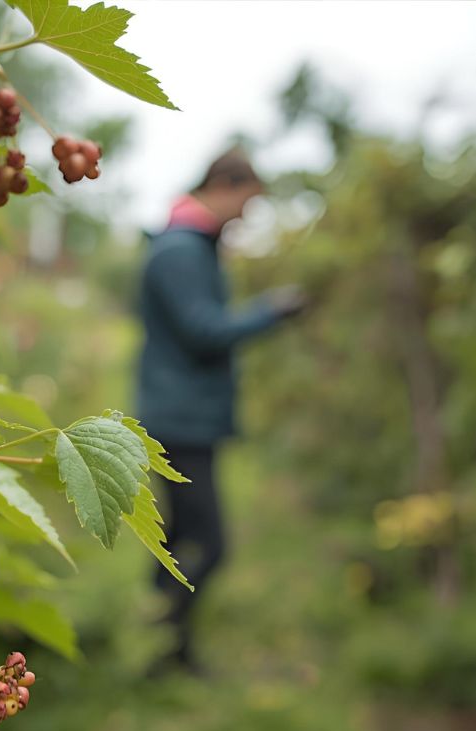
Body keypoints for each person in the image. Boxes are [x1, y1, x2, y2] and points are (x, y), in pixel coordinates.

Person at [136, 148, 307, 670]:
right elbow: (205, 331)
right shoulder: (182, 252)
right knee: (212, 544)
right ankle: (171, 643)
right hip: (182, 419)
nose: (246, 216)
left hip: (183, 414)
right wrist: (271, 311)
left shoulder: (188, 245)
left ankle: (160, 621)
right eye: (247, 203)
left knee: (182, 535)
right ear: (225, 187)